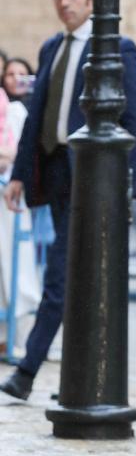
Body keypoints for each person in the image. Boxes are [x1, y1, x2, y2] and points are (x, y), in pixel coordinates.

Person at [1, 0, 136, 402]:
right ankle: (80, 379)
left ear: (90, 0)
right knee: (74, 277)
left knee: (62, 276)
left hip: (95, 176)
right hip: (57, 174)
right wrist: (19, 176)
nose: (63, 3)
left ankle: (27, 372)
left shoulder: (117, 48)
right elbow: (36, 117)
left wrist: (123, 179)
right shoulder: (52, 47)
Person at [0, 88, 41, 357]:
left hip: (7, 197)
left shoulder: (12, 109)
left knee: (11, 267)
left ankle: (9, 336)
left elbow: (16, 151)